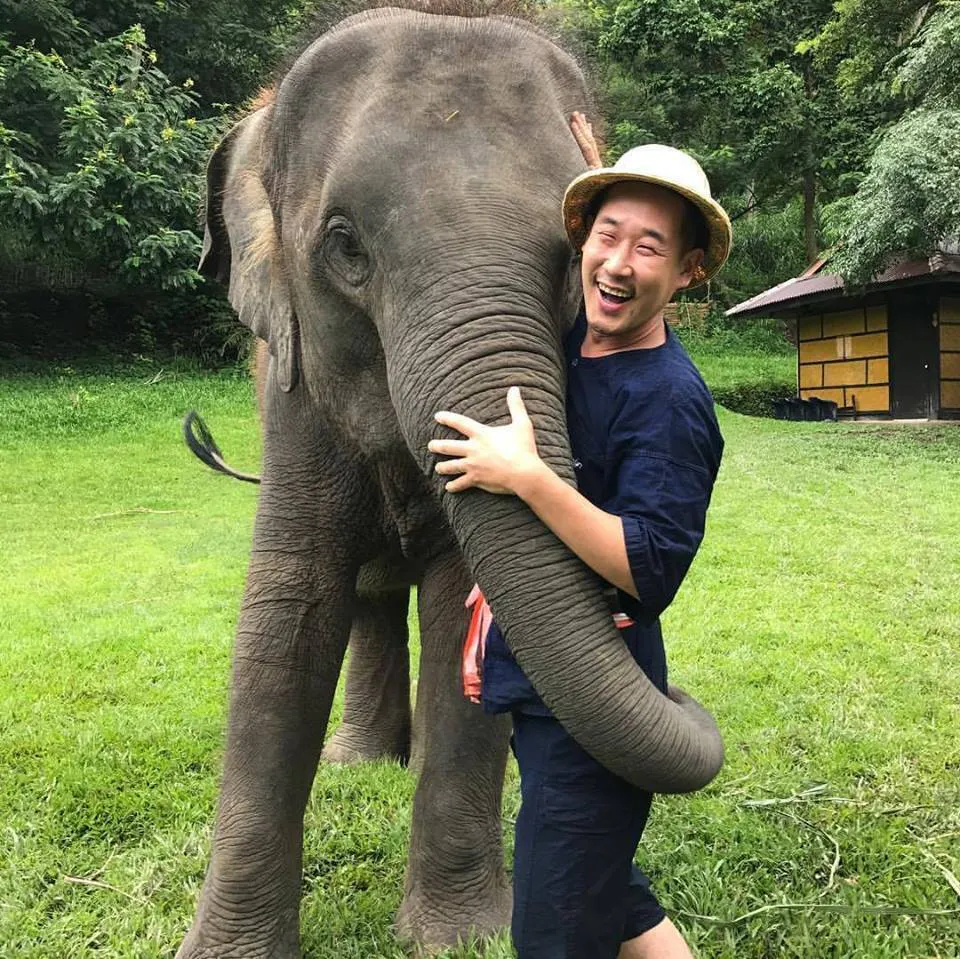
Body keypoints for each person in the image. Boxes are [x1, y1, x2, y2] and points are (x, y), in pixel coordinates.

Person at [427, 118, 732, 959]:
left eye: (649, 247)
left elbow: (647, 566)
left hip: (598, 692)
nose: (618, 263)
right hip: (545, 682)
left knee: (554, 929)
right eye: (607, 234)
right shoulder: (574, 341)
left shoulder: (669, 400)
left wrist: (529, 478)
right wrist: (583, 166)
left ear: (689, 270)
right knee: (609, 891)